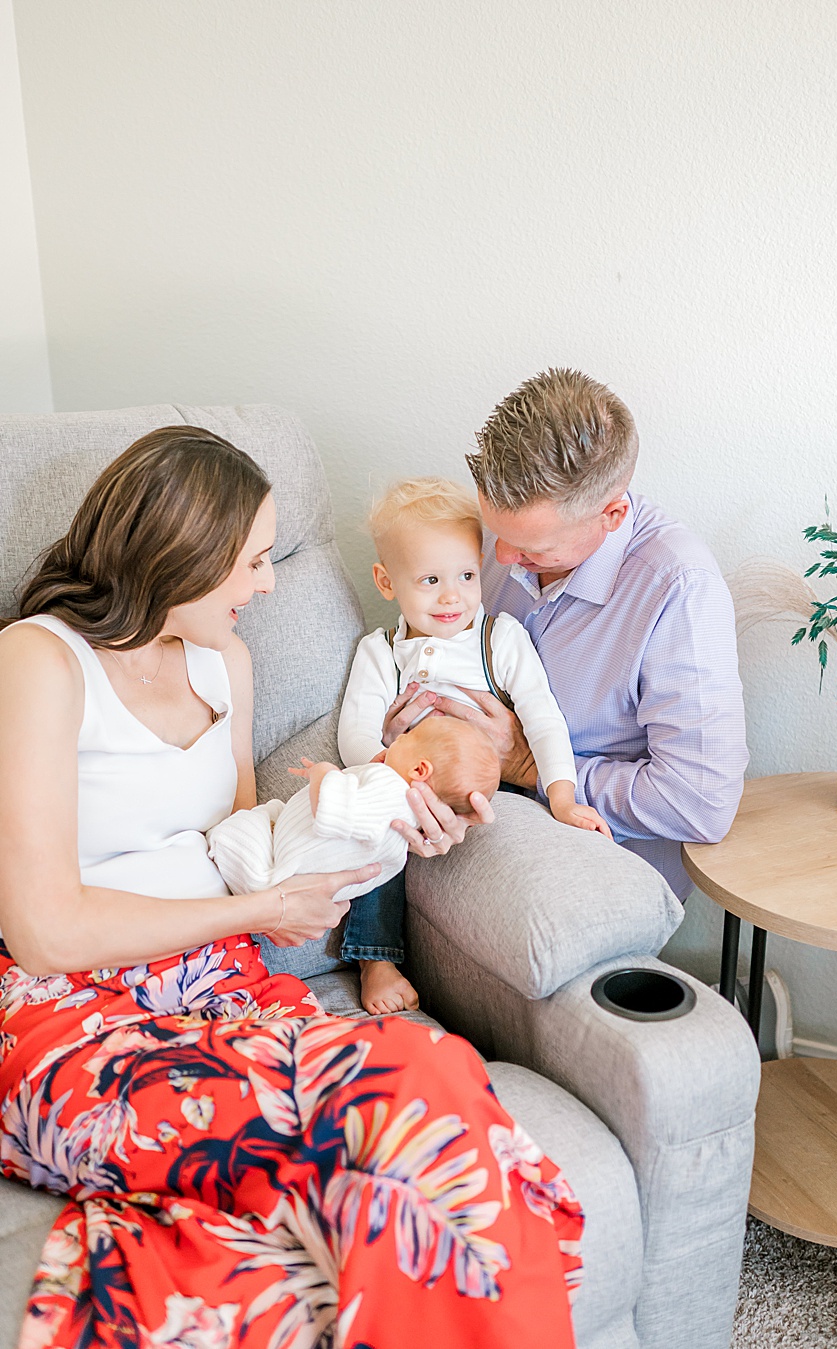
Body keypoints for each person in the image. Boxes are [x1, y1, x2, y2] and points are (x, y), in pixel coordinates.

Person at [0, 426, 584, 1347]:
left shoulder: (225, 665)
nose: (269, 584)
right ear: (174, 556)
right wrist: (266, 910)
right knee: (416, 1077)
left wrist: (384, 822)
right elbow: (43, 931)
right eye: (251, 562)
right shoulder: (39, 660)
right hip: (68, 1007)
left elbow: (248, 846)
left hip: (221, 986)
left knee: (435, 1090)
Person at [378, 369, 747, 898]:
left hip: (592, 857)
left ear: (612, 514)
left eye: (532, 548)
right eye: (495, 533)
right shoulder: (503, 538)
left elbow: (700, 803)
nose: (500, 559)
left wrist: (530, 765)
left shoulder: (679, 592)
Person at [334, 476, 607, 1014]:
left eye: (464, 574)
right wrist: (385, 770)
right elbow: (354, 733)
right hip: (406, 785)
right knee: (370, 835)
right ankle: (376, 958)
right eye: (430, 579)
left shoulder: (500, 638)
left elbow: (544, 719)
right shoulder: (381, 651)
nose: (452, 595)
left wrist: (561, 796)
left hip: (492, 789)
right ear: (387, 582)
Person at [207, 716, 501, 923]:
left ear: (420, 770)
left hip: (276, 877)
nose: (399, 738)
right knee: (266, 816)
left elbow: (330, 811)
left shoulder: (390, 786)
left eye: (409, 737)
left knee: (234, 832)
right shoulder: (406, 823)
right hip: (297, 882)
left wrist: (323, 772)